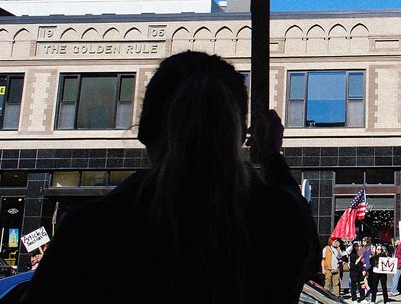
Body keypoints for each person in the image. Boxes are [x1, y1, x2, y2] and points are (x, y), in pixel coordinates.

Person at [20, 51, 319, 303]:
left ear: (144, 132)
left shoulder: (96, 228)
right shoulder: (276, 223)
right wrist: (271, 157)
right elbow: (298, 230)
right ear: (241, 134)